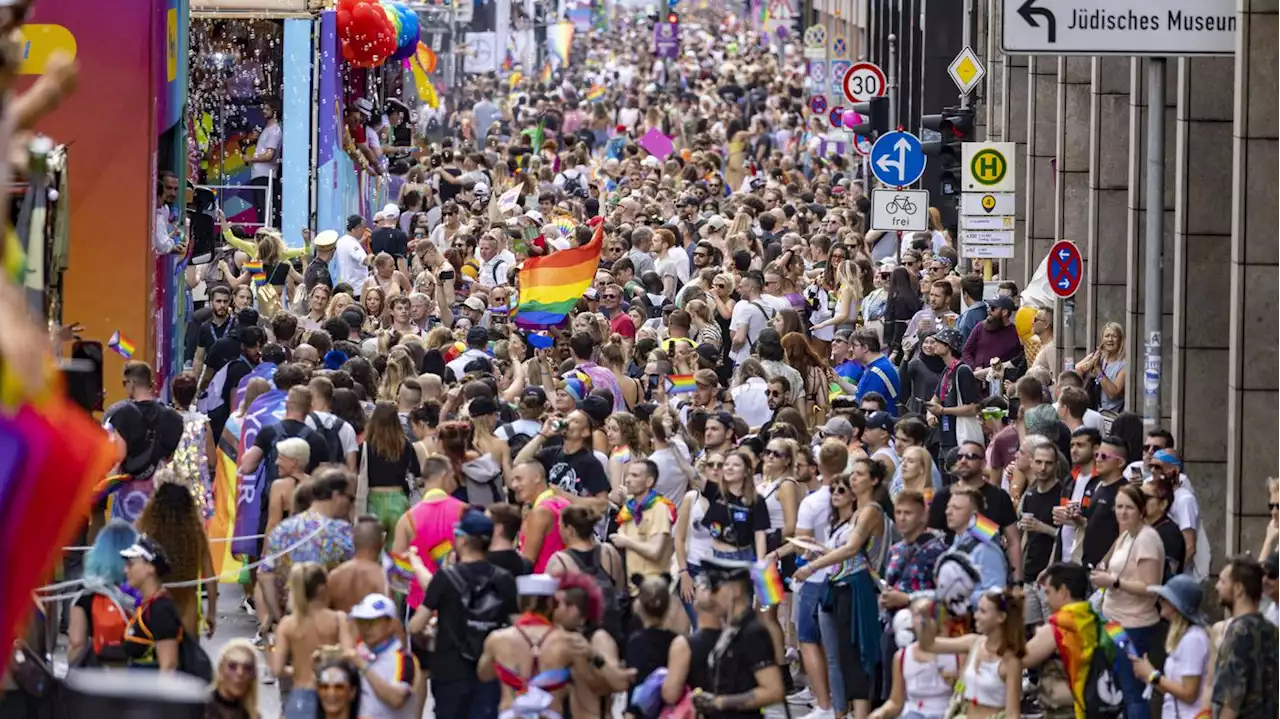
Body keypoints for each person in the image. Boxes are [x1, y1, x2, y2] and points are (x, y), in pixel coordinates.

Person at [793, 459, 889, 718]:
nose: (853, 479)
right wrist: (821, 550)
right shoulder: (858, 512)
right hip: (840, 584)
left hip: (858, 586)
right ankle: (839, 711)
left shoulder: (871, 510)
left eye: (859, 474)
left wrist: (812, 567)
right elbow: (844, 551)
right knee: (839, 655)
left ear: (874, 480)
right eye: (853, 474)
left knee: (856, 655)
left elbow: (852, 549)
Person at [422, 508, 519, 719]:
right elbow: (518, 628)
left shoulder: (444, 578)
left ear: (463, 540)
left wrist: (428, 635)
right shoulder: (504, 579)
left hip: (449, 673)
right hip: (489, 672)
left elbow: (414, 625)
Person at [688, 558, 786, 718]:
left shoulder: (752, 632)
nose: (712, 597)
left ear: (735, 590)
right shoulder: (733, 628)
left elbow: (774, 691)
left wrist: (720, 702)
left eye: (716, 589)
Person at [477, 574, 584, 717]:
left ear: (520, 602)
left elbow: (484, 674)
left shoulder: (497, 639)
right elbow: (587, 679)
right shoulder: (569, 641)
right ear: (551, 604)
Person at [915, 588, 1026, 719]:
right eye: (977, 609)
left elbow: (1012, 715)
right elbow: (928, 645)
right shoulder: (973, 642)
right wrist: (925, 618)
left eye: (983, 612)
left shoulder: (1011, 662)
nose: (975, 616)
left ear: (1001, 617)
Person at [272, 562, 354, 718]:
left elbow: (277, 669)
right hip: (332, 694)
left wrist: (296, 670)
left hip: (300, 694)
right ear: (322, 589)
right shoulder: (338, 620)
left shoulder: (288, 624)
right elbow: (349, 656)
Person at [1129, 575, 1210, 719]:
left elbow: (1189, 693)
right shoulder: (1185, 637)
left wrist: (1152, 675)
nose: (1160, 601)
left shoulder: (1193, 639)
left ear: (1175, 605)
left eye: (1164, 598)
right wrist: (1147, 674)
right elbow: (1173, 687)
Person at [1210, 555, 1280, 718]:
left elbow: (1231, 701)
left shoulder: (1238, 633)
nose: (1216, 587)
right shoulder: (1271, 630)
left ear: (1239, 589)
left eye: (1222, 581)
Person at [68, 519, 139, 667]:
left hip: (99, 676)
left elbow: (76, 641)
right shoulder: (140, 588)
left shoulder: (88, 591)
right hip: (135, 672)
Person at [347, 592, 420, 718]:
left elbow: (396, 699)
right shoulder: (360, 653)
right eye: (361, 621)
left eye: (373, 621)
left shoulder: (404, 659)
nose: (366, 628)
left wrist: (363, 666)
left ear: (391, 624)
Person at [120, 535, 182, 672]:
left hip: (150, 690)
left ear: (150, 568)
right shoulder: (148, 605)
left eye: (131, 564)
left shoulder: (161, 609)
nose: (125, 570)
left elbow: (169, 666)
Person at [207, 639, 260, 719]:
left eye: (247, 668)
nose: (240, 673)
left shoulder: (251, 713)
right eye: (232, 666)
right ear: (220, 670)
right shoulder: (202, 708)